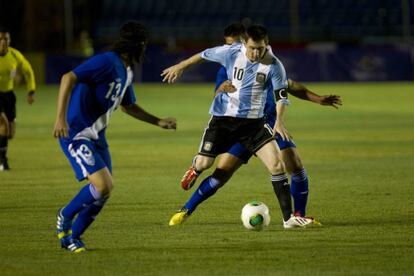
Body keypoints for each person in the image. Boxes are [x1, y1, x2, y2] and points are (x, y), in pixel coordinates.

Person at [168, 23, 342, 227]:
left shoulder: (273, 64)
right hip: (229, 123)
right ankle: (187, 207)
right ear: (244, 44)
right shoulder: (229, 59)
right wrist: (182, 68)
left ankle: (294, 216)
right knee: (218, 172)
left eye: (260, 48)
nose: (256, 52)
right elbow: (215, 88)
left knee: (290, 166)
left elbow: (287, 87)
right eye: (251, 48)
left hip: (263, 125)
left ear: (266, 44)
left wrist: (312, 102)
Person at [53, 21, 176, 253]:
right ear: (137, 45)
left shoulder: (126, 71)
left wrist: (158, 121)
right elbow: (67, 78)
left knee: (104, 192)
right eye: (144, 44)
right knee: (103, 185)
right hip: (77, 134)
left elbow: (128, 106)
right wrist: (60, 118)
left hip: (97, 138)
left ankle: (72, 238)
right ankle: (65, 216)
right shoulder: (106, 61)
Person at [0, 27, 36, 171]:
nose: (3, 42)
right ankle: (3, 161)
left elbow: (28, 71)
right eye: (0, 39)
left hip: (9, 96)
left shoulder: (15, 55)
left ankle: (2, 151)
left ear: (9, 40)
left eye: (5, 39)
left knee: (10, 133)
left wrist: (31, 91)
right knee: (3, 125)